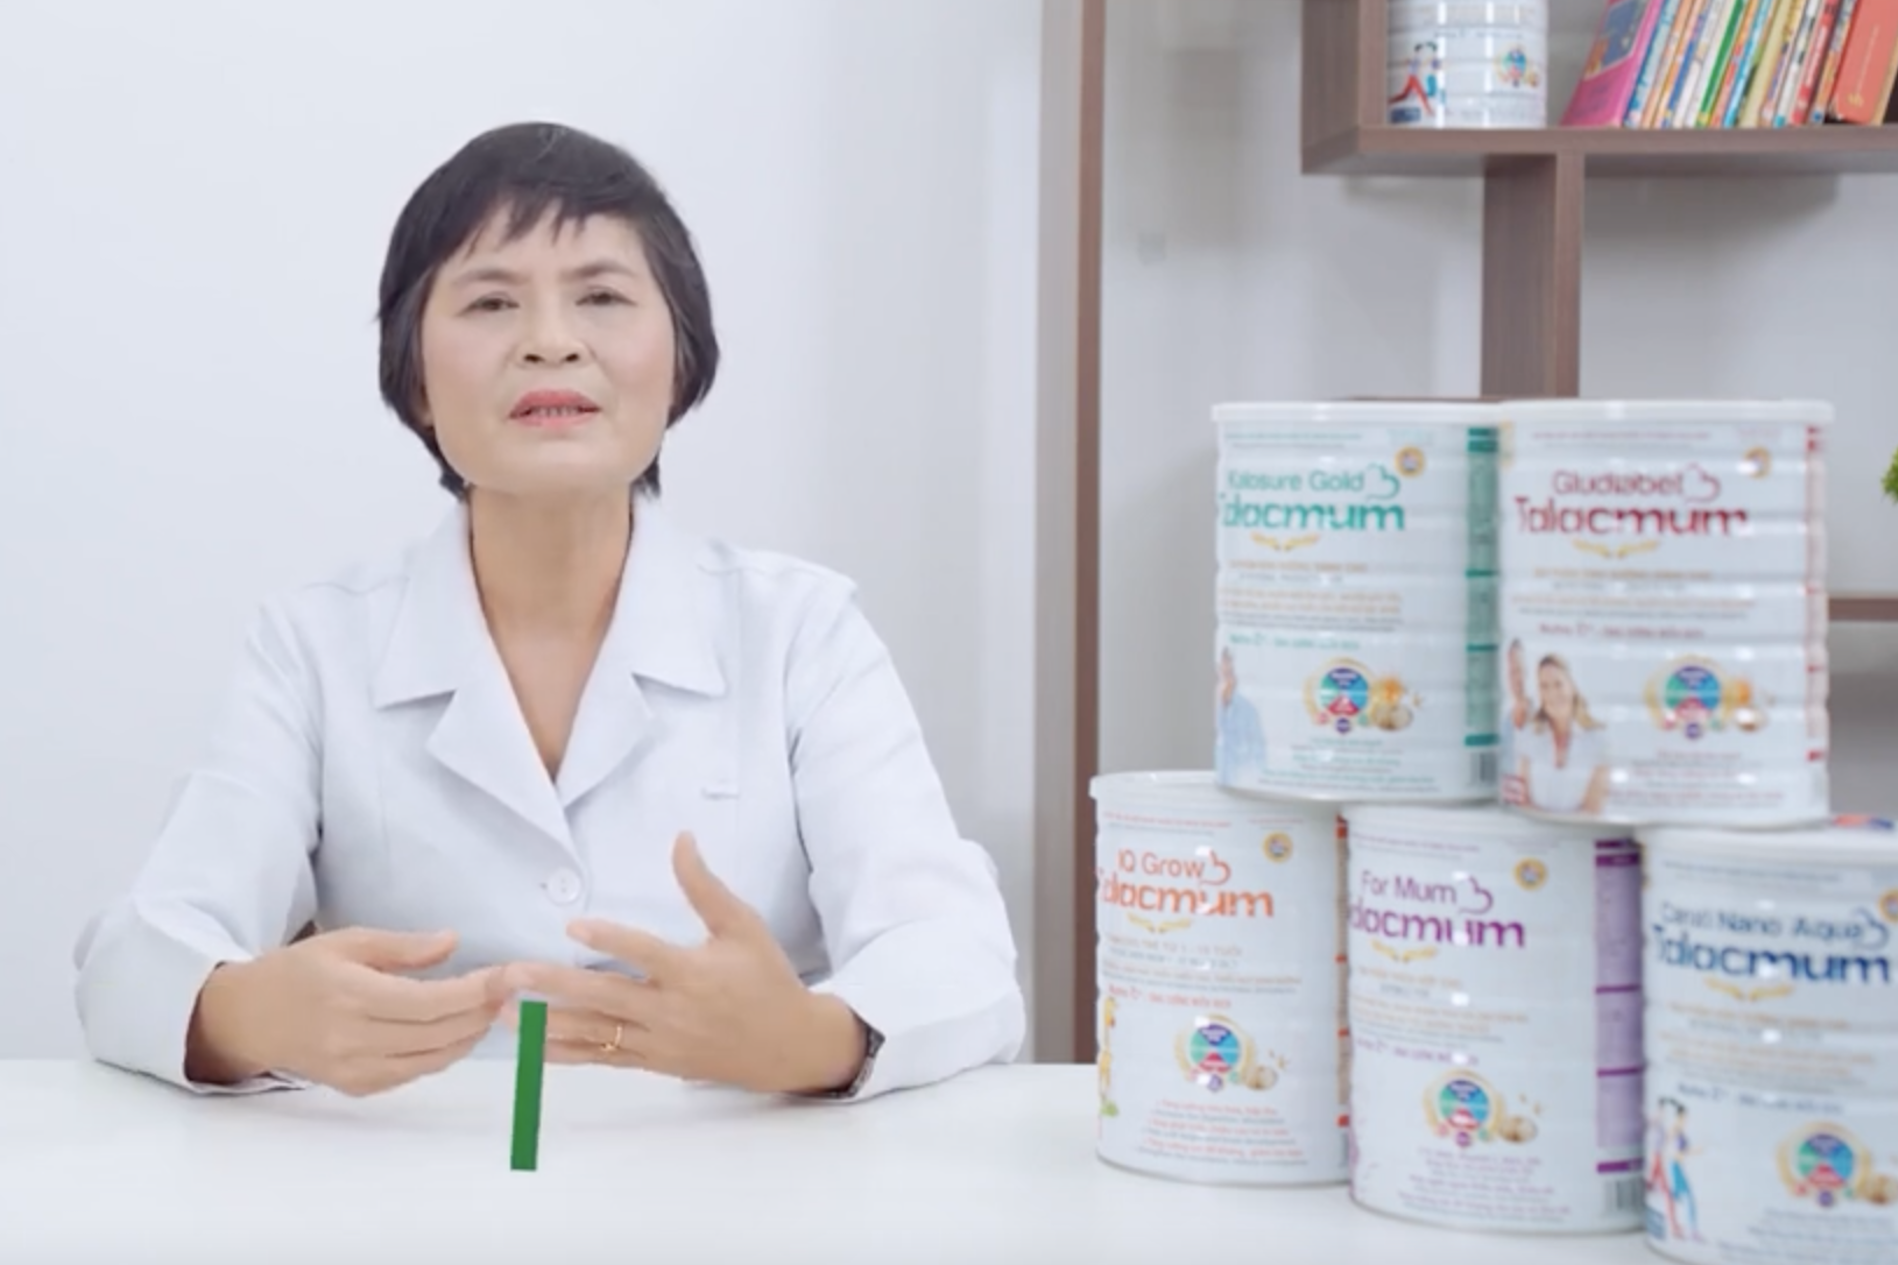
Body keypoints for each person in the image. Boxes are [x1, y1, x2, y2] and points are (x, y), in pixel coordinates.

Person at [71, 121, 1025, 1103]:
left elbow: (957, 955)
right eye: (491, 301)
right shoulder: (314, 647)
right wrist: (242, 1015)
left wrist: (813, 1038)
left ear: (680, 359)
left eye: (602, 296)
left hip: (742, 1169)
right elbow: (133, 959)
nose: (551, 340)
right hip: (410, 1172)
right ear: (414, 375)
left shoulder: (800, 633)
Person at [1514, 653, 1609, 816]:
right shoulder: (1529, 737)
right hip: (1535, 829)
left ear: (1572, 687)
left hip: (1580, 831)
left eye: (1558, 684)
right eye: (1544, 686)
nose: (1552, 693)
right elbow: (1522, 801)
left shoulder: (1598, 741)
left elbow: (1593, 809)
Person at [1214, 646, 1266, 784]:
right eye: (1223, 672)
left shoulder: (1248, 712)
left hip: (1245, 785)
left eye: (1230, 673)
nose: (1226, 678)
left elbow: (1259, 756)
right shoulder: (1219, 706)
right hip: (1224, 783)